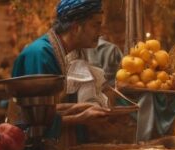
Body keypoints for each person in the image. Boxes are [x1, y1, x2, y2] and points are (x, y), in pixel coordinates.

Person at [11, 0, 108, 141]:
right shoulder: (40, 54)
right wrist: (81, 117)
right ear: (76, 28)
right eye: (95, 25)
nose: (100, 32)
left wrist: (80, 108)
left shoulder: (67, 53)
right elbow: (36, 122)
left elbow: (51, 109)